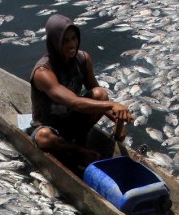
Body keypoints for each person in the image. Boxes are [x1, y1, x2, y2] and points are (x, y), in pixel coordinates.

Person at [28, 14, 133, 165]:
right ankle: (76, 150)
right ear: (54, 43)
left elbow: (98, 96)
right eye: (65, 41)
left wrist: (118, 118)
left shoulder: (83, 59)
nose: (72, 44)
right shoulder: (43, 72)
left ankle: (79, 138)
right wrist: (112, 106)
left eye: (74, 38)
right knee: (44, 137)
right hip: (50, 126)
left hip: (73, 121)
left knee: (100, 93)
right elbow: (74, 102)